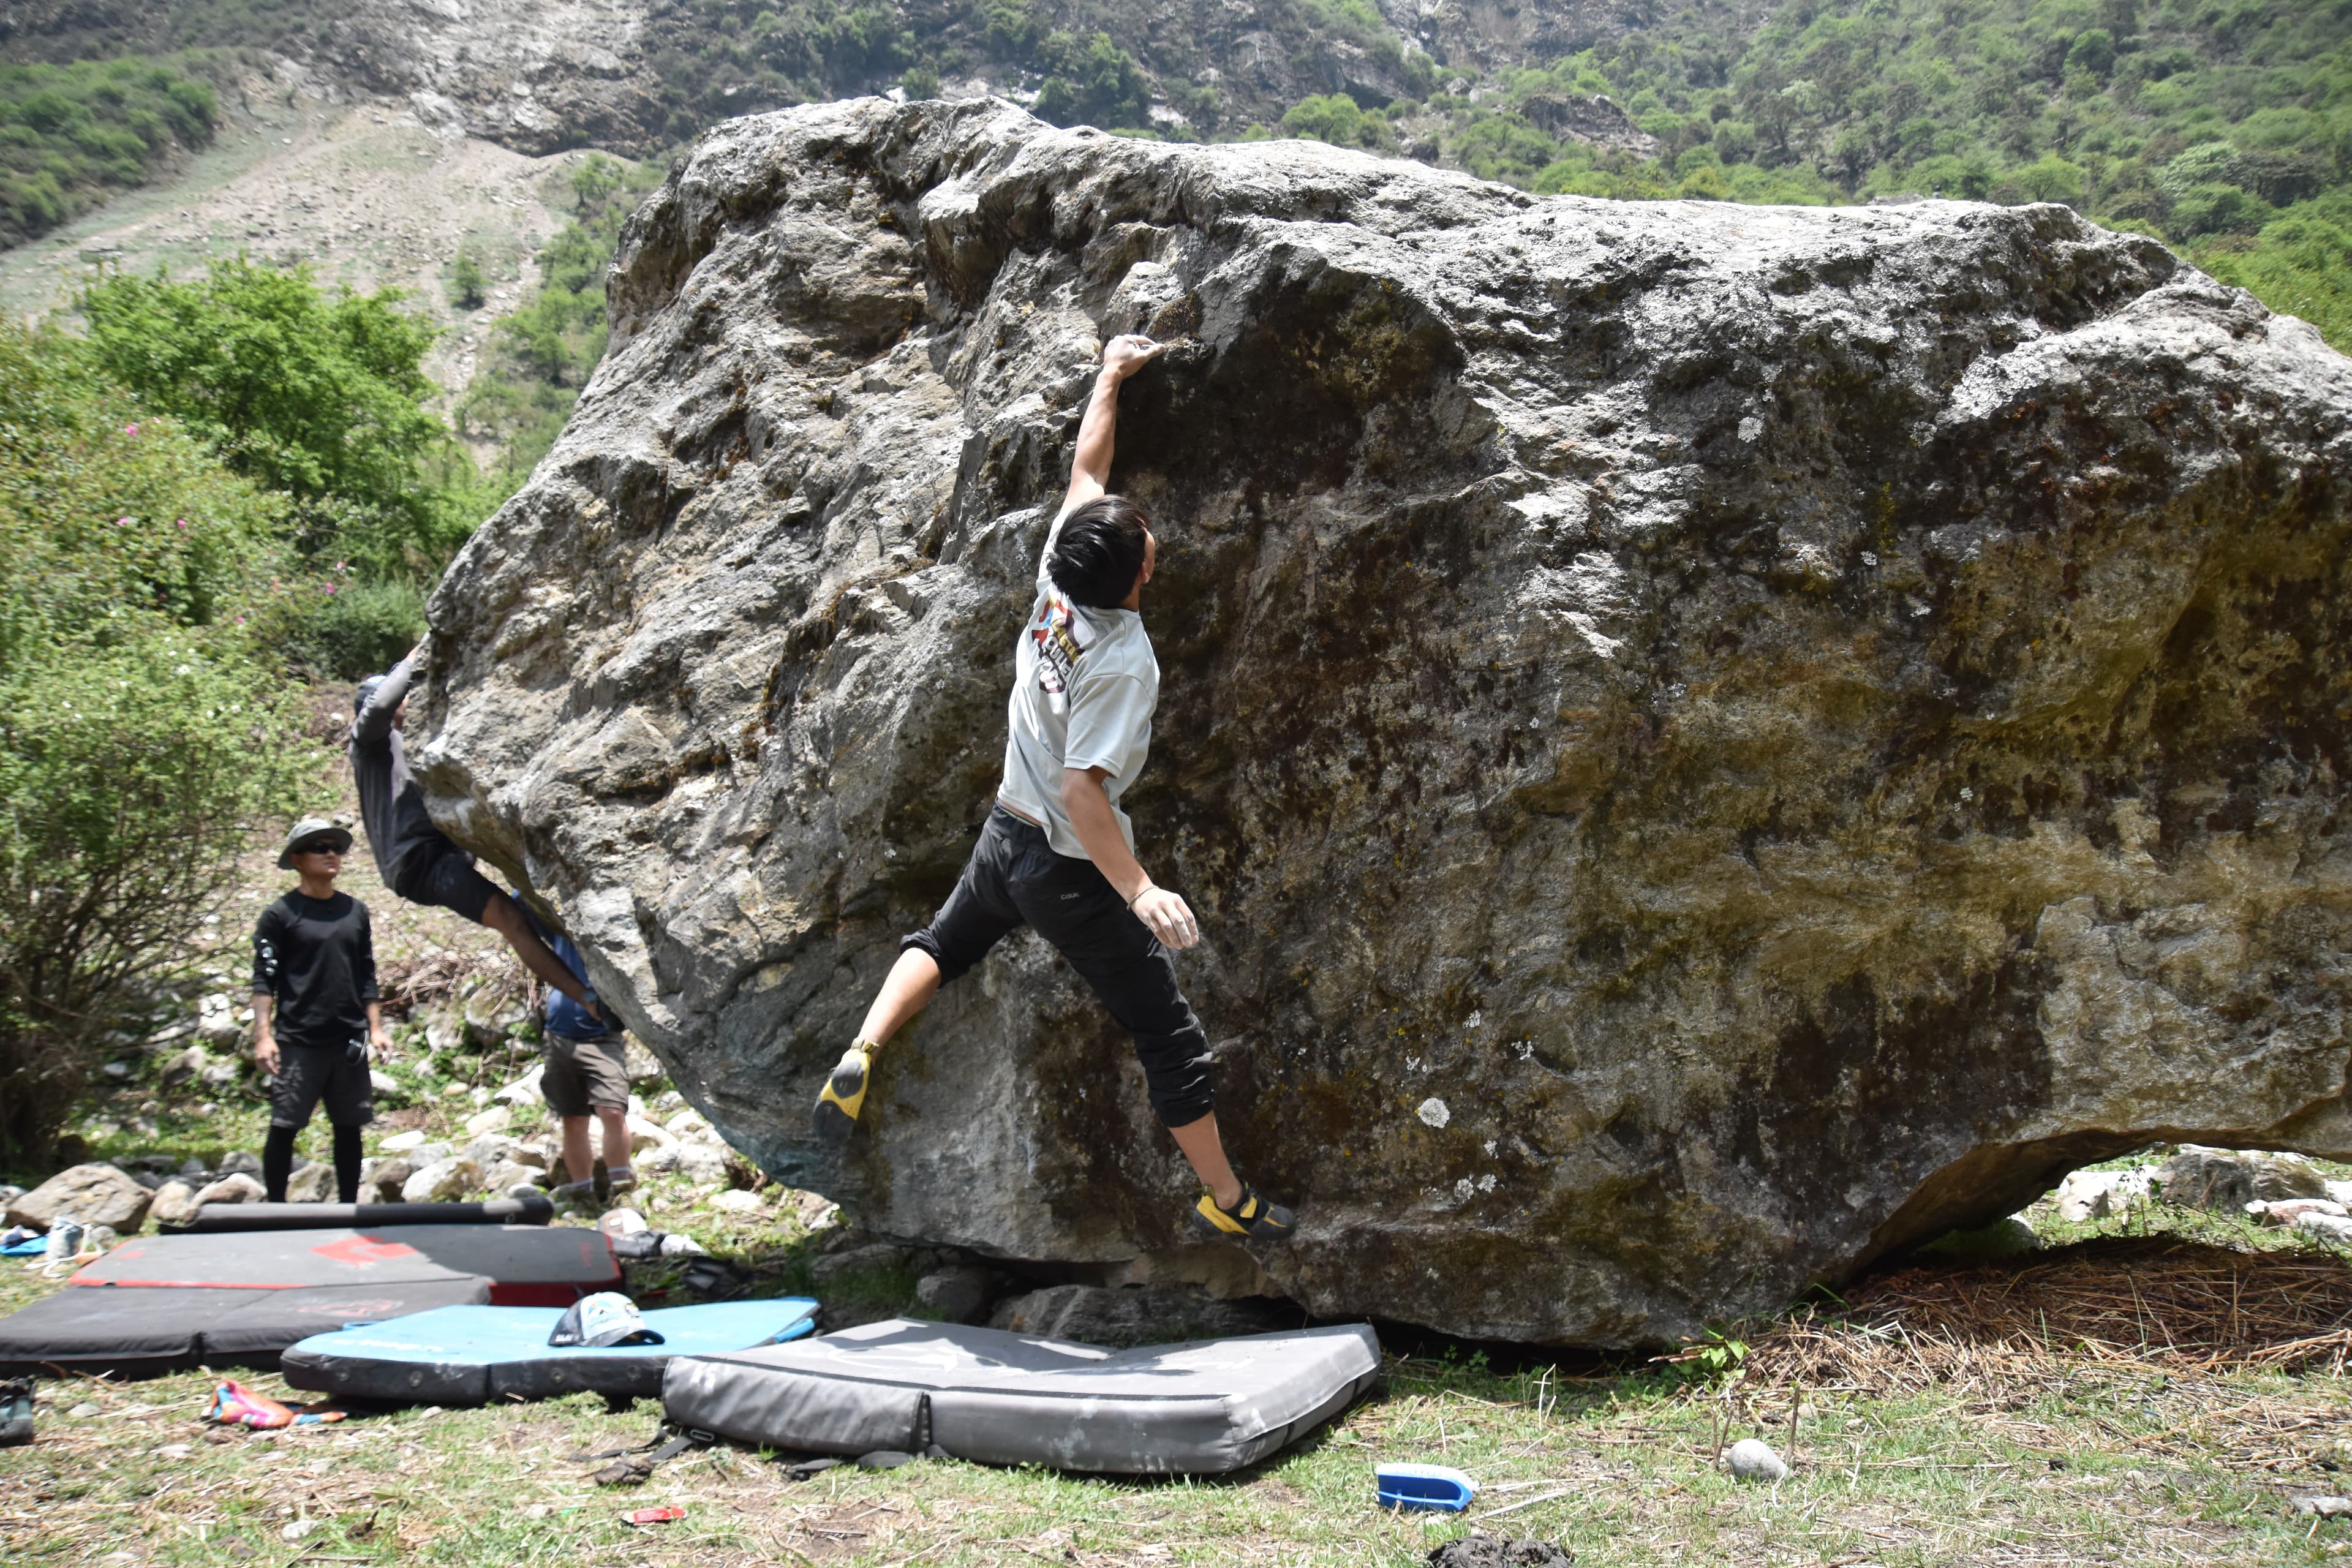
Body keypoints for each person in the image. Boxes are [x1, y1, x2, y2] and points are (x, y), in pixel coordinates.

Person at [813, 333, 1295, 1243]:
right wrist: (1143, 891)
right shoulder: (1123, 660)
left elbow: (1087, 467)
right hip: (1069, 868)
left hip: (1004, 831)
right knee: (1170, 1035)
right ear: (1143, 573)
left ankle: (864, 1045)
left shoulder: (1057, 574)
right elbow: (1085, 792)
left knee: (944, 941)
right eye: (1147, 541)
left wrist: (1111, 373)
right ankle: (1228, 1202)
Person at [350, 647, 603, 1019]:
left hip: (438, 850)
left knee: (528, 904)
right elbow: (379, 704)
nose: (408, 701)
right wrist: (418, 653)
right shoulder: (368, 742)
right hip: (416, 861)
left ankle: (593, 979)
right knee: (509, 917)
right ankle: (587, 1000)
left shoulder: (414, 741)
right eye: (403, 696)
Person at [251, 817, 388, 1203]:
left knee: (350, 1127)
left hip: (349, 1038)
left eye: (336, 848)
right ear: (297, 859)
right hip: (299, 1039)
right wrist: (263, 1036)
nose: (332, 854)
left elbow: (367, 974)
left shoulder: (355, 912)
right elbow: (264, 979)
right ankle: (275, 1209)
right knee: (285, 1126)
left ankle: (348, 1208)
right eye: (320, 848)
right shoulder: (279, 915)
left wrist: (376, 1028)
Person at [526, 913, 636, 1208]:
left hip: (603, 1036)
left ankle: (622, 1190)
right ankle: (582, 1193)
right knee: (573, 1119)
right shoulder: (560, 927)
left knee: (612, 1111)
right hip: (559, 1035)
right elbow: (517, 908)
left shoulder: (615, 931)